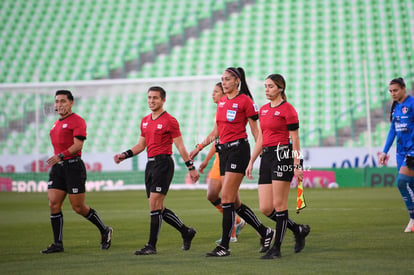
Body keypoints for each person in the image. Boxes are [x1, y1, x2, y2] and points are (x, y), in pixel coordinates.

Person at [190, 67, 275, 257]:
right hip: (224, 152)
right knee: (234, 203)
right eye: (222, 79)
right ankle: (265, 232)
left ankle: (224, 247)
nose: (224, 82)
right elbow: (216, 132)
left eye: (227, 79)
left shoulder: (246, 101)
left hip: (239, 151)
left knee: (226, 198)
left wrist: (260, 152)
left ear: (237, 81)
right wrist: (198, 148)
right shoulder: (221, 103)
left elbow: (256, 131)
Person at [114, 86, 200, 255]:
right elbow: (141, 145)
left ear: (163, 100)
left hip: (164, 163)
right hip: (150, 164)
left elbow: (180, 146)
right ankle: (186, 231)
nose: (151, 101)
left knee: (155, 204)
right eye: (149, 98)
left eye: (155, 98)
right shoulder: (145, 120)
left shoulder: (170, 120)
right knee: (157, 207)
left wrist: (191, 167)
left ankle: (151, 246)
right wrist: (124, 155)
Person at [246, 74, 310, 259]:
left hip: (283, 155)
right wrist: (252, 160)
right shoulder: (264, 110)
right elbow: (261, 138)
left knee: (279, 204)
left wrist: (297, 164)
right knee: (266, 208)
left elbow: (295, 139)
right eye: (265, 86)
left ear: (280, 88)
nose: (267, 89)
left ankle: (277, 249)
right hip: (266, 157)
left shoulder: (288, 109)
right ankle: (298, 229)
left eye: (271, 86)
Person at [42, 90, 113, 254]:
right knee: (53, 204)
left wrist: (60, 155)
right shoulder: (55, 124)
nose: (59, 105)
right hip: (58, 168)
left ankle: (104, 230)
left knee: (78, 207)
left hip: (73, 167)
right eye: (57, 101)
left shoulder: (77, 121)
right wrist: (59, 159)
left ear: (71, 103)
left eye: (63, 101)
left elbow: (77, 146)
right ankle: (57, 243)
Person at [198, 82, 246, 243]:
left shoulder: (231, 110)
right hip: (220, 157)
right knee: (213, 195)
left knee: (229, 198)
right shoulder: (219, 111)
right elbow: (216, 139)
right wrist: (205, 159)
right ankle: (240, 222)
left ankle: (231, 233)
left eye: (216, 91)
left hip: (231, 157)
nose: (213, 94)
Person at [379, 77, 414, 233]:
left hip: (412, 151)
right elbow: (393, 130)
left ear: (404, 89)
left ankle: (412, 217)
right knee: (411, 184)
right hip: (401, 153)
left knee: (401, 182)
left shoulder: (412, 104)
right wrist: (385, 151)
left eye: (396, 90)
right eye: (391, 91)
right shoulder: (395, 107)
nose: (393, 93)